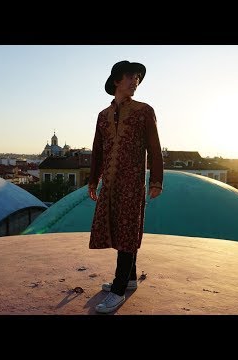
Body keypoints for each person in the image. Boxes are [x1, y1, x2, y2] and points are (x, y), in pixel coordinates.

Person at [88, 60, 164, 314]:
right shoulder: (103, 116)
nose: (135, 82)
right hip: (110, 184)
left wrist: (156, 180)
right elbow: (97, 151)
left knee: (127, 231)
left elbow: (154, 147)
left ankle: (119, 291)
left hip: (132, 183)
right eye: (131, 77)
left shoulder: (144, 111)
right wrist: (93, 180)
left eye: (138, 79)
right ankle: (129, 279)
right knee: (118, 229)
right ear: (117, 80)